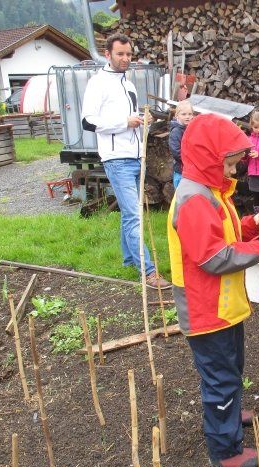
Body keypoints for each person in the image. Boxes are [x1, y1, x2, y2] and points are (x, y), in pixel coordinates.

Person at [167, 113, 259, 467]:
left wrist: (254, 223)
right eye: (230, 163)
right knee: (220, 379)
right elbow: (214, 257)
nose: (234, 171)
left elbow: (226, 235)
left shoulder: (212, 193)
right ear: (209, 157)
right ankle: (225, 448)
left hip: (223, 307)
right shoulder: (194, 199)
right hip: (207, 311)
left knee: (231, 369)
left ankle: (230, 411)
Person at [81, 33, 171, 289]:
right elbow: (88, 121)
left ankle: (129, 260)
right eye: (120, 54)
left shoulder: (128, 85)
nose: (125, 58)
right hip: (116, 158)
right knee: (134, 215)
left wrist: (142, 120)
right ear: (107, 54)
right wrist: (124, 123)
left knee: (129, 213)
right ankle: (148, 272)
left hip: (135, 155)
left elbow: (130, 119)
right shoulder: (97, 83)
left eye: (129, 54)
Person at [168, 100, 194, 188]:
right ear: (177, 116)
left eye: (190, 114)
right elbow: (176, 152)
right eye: (184, 114)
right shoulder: (176, 131)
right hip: (181, 171)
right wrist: (191, 160)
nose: (187, 117)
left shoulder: (191, 129)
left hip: (190, 170)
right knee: (180, 193)